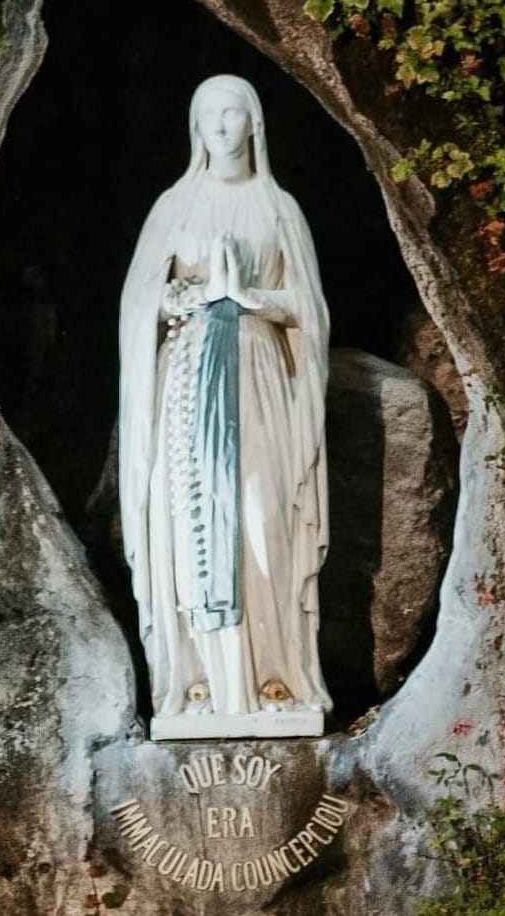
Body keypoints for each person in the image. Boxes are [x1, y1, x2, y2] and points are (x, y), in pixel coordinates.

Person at [118, 75, 331, 734]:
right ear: (193, 125)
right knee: (190, 525)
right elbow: (137, 305)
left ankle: (275, 677)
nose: (220, 125)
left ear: (253, 123)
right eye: (207, 113)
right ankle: (207, 684)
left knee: (262, 518)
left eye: (232, 111)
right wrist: (180, 300)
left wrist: (251, 299)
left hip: (256, 376)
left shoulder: (278, 209)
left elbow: (309, 311)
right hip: (187, 385)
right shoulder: (173, 207)